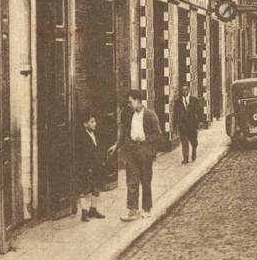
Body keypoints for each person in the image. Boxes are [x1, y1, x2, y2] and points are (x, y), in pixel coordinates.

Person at [109, 90, 162, 222]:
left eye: (130, 101)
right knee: (132, 181)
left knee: (145, 181)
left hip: (145, 152)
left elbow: (158, 134)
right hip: (132, 152)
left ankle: (147, 209)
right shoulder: (129, 115)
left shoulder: (150, 115)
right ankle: (132, 210)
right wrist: (116, 146)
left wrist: (145, 138)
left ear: (138, 100)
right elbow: (123, 133)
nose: (129, 104)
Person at [74, 111, 106, 222]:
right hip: (85, 167)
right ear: (85, 124)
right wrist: (86, 167)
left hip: (96, 165)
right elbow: (81, 154)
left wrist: (101, 161)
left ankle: (93, 209)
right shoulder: (81, 137)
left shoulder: (96, 134)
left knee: (96, 186)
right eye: (92, 122)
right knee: (83, 188)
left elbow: (99, 148)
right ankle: (84, 212)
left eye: (95, 121)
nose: (95, 124)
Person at [173, 82, 201, 165]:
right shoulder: (178, 102)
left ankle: (194, 151)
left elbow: (199, 111)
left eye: (186, 89)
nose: (184, 91)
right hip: (182, 125)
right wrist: (174, 126)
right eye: (183, 90)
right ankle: (185, 158)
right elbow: (175, 114)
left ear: (189, 90)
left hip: (192, 125)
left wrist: (200, 121)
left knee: (193, 142)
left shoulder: (194, 100)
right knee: (184, 142)